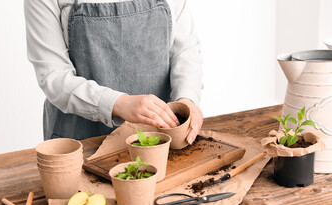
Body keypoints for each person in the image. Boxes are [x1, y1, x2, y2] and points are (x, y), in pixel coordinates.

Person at [24, 0, 203, 144]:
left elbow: (185, 51)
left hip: (158, 140)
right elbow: (53, 76)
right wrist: (119, 103)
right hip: (80, 142)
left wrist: (186, 98)